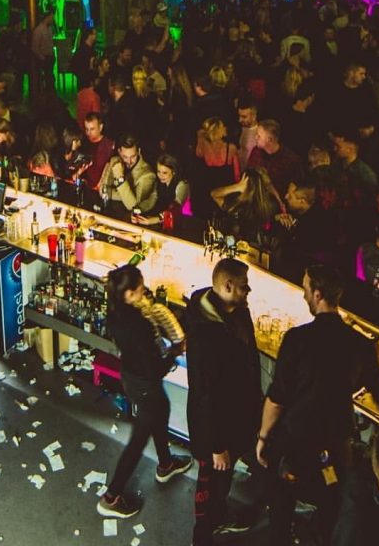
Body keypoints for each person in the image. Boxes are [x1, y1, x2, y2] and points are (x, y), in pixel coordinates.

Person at [257, 264, 379, 546]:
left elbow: (277, 399)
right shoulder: (361, 345)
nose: (304, 295)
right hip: (336, 446)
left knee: (282, 504)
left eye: (306, 289)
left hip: (295, 442)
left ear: (318, 295)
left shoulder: (296, 339)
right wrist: (372, 365)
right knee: (331, 506)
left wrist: (263, 438)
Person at [98, 265, 192, 519]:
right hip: (145, 382)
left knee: (161, 411)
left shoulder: (116, 312)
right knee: (138, 440)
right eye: (140, 288)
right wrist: (175, 351)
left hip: (131, 377)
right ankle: (111, 497)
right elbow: (155, 369)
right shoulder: (138, 324)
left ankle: (166, 464)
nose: (144, 290)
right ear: (129, 294)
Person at [186, 258, 262, 545]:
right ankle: (203, 535)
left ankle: (219, 517)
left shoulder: (237, 312)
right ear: (228, 286)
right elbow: (205, 395)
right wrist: (217, 447)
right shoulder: (205, 336)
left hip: (237, 418)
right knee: (211, 485)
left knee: (223, 480)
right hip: (215, 431)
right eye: (244, 286)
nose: (248, 290)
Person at [99, 135, 156, 221]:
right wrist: (129, 195)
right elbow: (103, 191)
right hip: (113, 214)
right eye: (125, 157)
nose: (129, 161)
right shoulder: (115, 161)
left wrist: (120, 179)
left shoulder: (148, 175)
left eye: (133, 156)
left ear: (139, 151)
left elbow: (133, 205)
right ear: (119, 152)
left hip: (136, 220)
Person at [81, 112, 115, 187]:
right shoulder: (83, 142)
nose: (88, 133)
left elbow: (109, 169)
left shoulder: (108, 145)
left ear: (100, 127)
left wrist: (99, 186)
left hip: (100, 187)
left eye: (92, 129)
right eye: (87, 129)